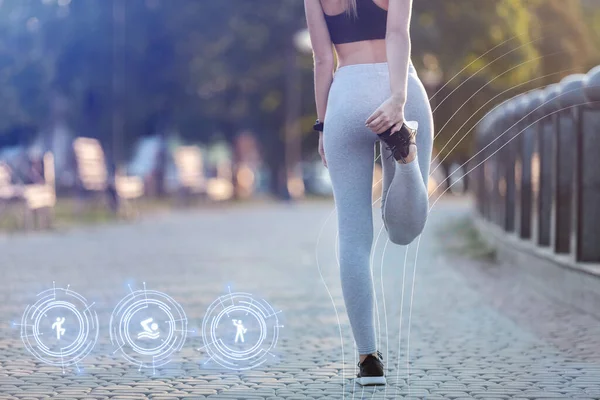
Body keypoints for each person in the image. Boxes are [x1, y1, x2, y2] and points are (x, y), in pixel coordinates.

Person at [303, 0, 433, 386]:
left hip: (345, 95)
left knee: (353, 236)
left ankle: (367, 358)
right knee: (404, 231)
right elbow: (397, 34)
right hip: (399, 85)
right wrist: (397, 99)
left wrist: (324, 125)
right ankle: (404, 156)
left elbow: (323, 60)